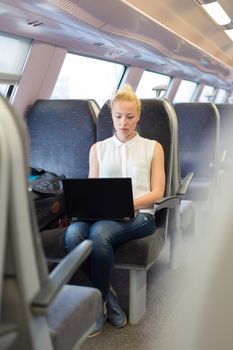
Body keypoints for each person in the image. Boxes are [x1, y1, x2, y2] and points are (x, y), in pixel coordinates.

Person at [64, 84, 165, 336]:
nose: (124, 122)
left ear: (138, 116)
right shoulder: (97, 149)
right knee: (73, 234)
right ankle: (107, 294)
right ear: (112, 116)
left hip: (141, 215)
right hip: (102, 213)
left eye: (130, 117)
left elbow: (157, 193)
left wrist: (125, 205)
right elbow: (92, 189)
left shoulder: (153, 147)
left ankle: (97, 306)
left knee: (100, 234)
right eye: (119, 116)